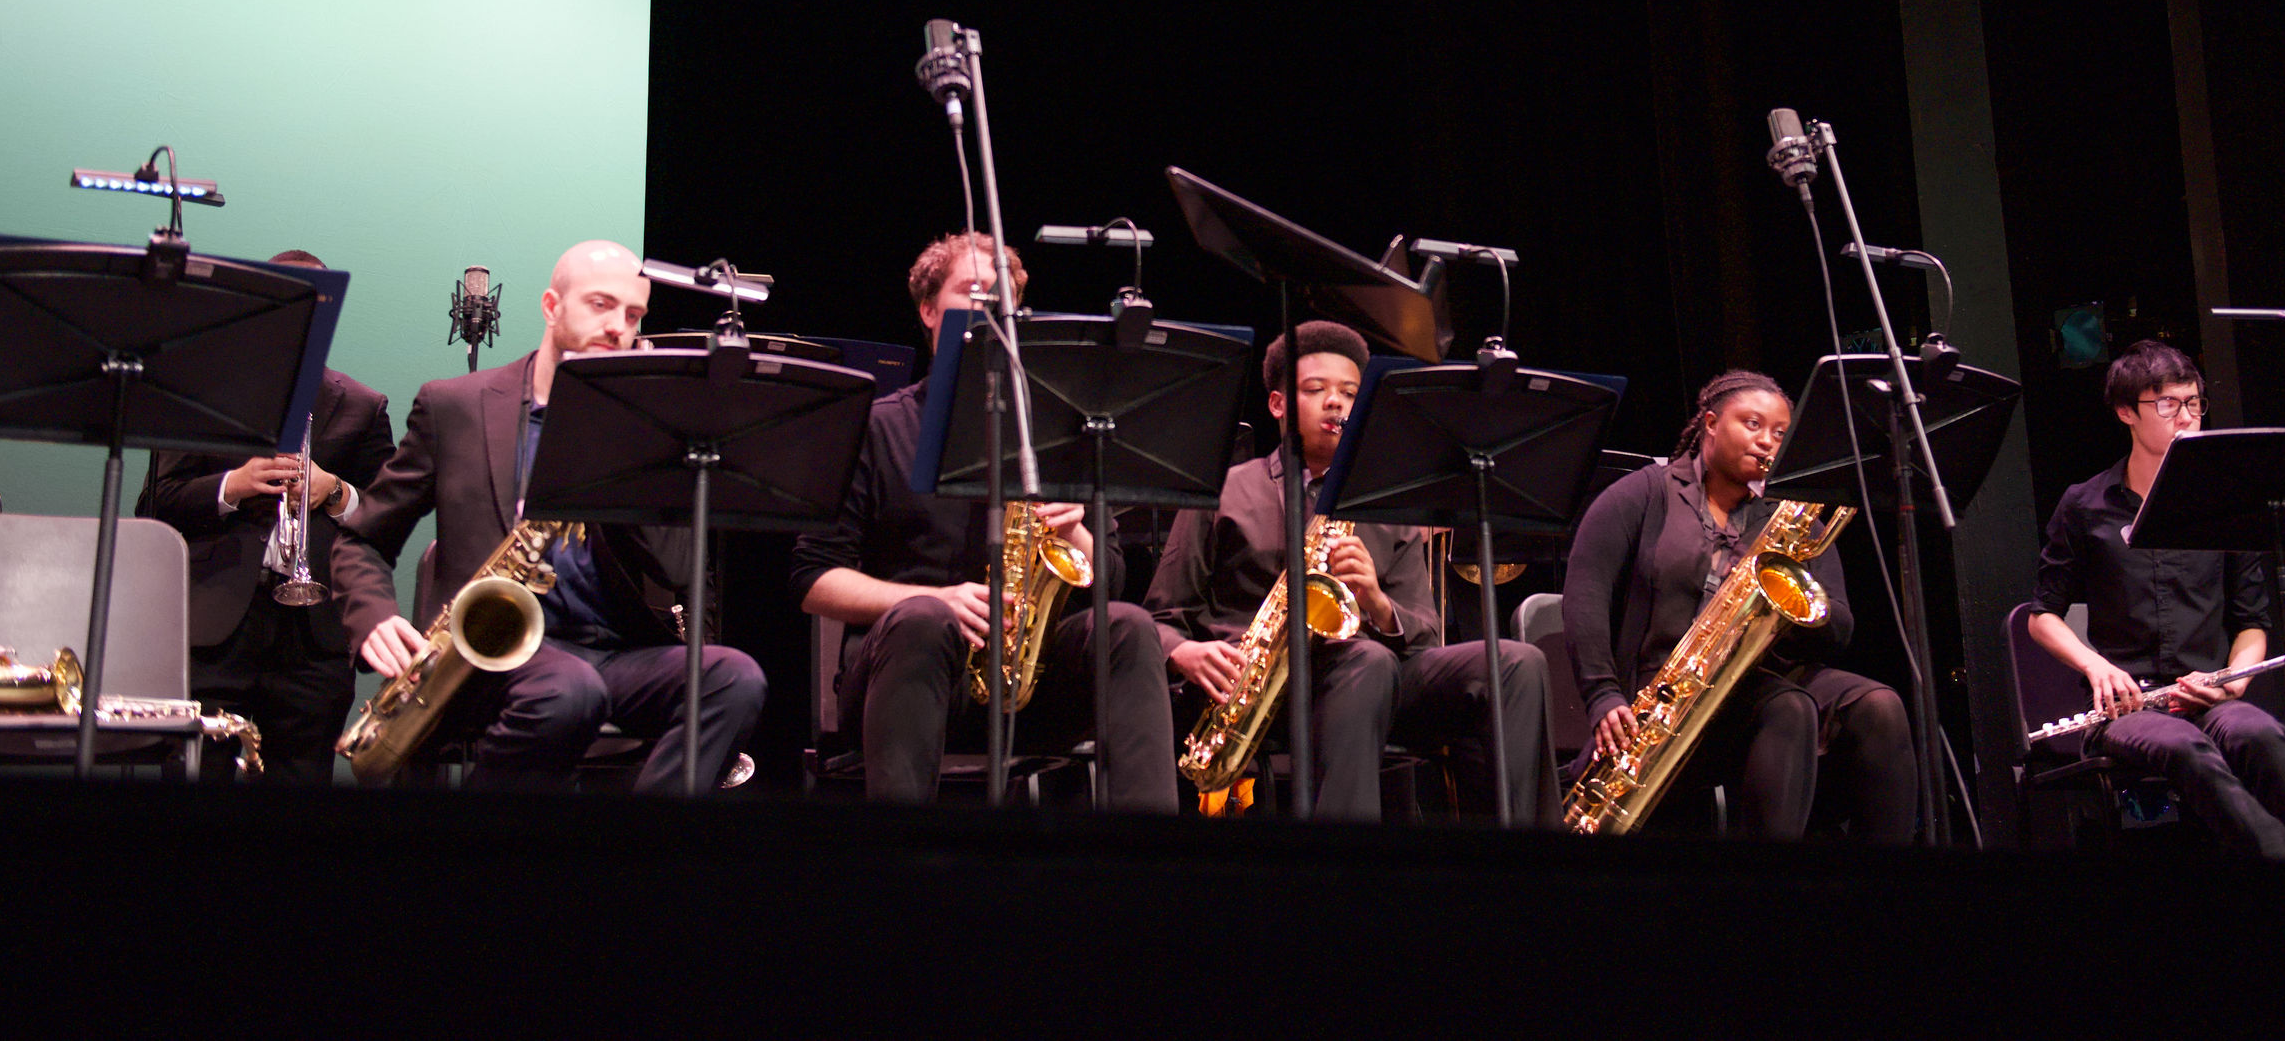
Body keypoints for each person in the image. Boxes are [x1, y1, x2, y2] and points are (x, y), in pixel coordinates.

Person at [331, 240, 766, 790]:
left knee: (736, 678)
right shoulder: (455, 406)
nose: (619, 327)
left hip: (612, 651)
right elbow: (361, 539)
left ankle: (648, 855)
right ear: (551, 306)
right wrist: (373, 617)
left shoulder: (645, 429)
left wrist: (642, 439)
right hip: (485, 661)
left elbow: (678, 569)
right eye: (601, 305)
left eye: (633, 315)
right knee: (567, 690)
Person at [785, 232, 1179, 808]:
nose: (991, 312)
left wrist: (1076, 533)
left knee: (1127, 627)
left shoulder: (1061, 432)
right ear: (927, 311)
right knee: (921, 616)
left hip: (1028, 684)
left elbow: (1112, 582)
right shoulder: (876, 427)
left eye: (1004, 302)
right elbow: (811, 580)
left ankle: (1151, 862)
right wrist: (934, 599)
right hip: (904, 678)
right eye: (972, 293)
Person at [1146, 319, 1554, 823]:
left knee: (1517, 662)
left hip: (1374, 677)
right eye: (1316, 390)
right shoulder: (1224, 490)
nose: (1336, 403)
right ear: (1277, 405)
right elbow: (1163, 614)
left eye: (1349, 393)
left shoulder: (1384, 504)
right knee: (1369, 661)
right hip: (1254, 686)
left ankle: (1527, 865)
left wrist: (1377, 604)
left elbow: (1424, 635)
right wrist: (1184, 651)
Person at [1561, 370, 1916, 840]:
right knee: (1788, 708)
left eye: (1779, 434)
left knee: (1881, 706)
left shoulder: (1790, 514)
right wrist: (1602, 694)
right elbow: (1585, 594)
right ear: (1710, 423)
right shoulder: (1644, 493)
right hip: (1667, 686)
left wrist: (1781, 593)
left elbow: (1840, 625)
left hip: (1761, 675)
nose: (1767, 442)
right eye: (1752, 424)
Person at [2028, 339, 2285, 860]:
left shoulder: (2227, 500)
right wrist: (2096, 668)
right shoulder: (2085, 505)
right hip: (2131, 707)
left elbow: (2252, 622)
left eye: (2194, 403)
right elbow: (2041, 616)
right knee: (2185, 748)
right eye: (2167, 405)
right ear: (2125, 412)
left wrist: (2234, 682)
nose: (2186, 418)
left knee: (2264, 737)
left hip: (2210, 696)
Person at [137, 249, 396, 784]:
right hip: (215, 627)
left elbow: (387, 516)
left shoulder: (362, 405)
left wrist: (334, 491)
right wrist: (235, 484)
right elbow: (156, 502)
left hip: (315, 636)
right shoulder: (202, 391)